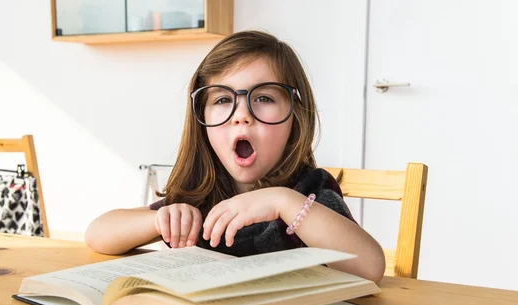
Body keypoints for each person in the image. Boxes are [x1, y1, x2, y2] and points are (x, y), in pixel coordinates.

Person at [85, 30, 385, 282]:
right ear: (201, 117)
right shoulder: (199, 197)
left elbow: (370, 267)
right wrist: (159, 221)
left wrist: (282, 201)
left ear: (296, 114)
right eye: (223, 99)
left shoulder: (308, 193)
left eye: (264, 98)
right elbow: (98, 234)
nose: (241, 115)